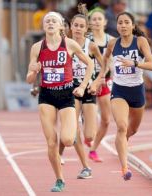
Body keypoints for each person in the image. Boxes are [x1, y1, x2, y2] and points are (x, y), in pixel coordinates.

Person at [26, 11, 94, 192]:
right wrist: (33, 72)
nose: (49, 23)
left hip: (66, 95)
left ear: (61, 26)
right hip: (46, 95)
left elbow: (90, 64)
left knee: (68, 139)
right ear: (43, 26)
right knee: (51, 142)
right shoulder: (37, 47)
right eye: (47, 21)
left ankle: (72, 136)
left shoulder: (69, 44)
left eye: (53, 21)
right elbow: (29, 77)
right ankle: (59, 179)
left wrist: (83, 86)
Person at [103, 12, 152, 180]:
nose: (123, 25)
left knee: (132, 129)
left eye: (126, 22)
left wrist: (135, 63)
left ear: (132, 26)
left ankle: (122, 143)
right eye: (120, 23)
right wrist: (102, 76)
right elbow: (104, 60)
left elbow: (151, 65)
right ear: (116, 26)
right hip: (119, 90)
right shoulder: (112, 43)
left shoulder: (140, 41)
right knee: (121, 127)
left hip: (137, 90)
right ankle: (125, 167)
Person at [58, 4, 105, 178]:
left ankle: (88, 119)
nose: (77, 29)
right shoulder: (66, 44)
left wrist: (97, 82)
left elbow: (103, 65)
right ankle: (83, 166)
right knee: (73, 127)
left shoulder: (91, 46)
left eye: (81, 26)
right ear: (70, 27)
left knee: (89, 135)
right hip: (72, 88)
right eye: (75, 26)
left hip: (89, 89)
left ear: (86, 30)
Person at [87, 8, 114, 162]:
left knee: (106, 119)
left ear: (105, 22)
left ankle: (93, 149)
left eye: (99, 19)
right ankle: (87, 133)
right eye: (94, 19)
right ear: (89, 23)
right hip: (88, 81)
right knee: (86, 115)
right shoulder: (86, 40)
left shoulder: (111, 40)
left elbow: (111, 62)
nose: (97, 22)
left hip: (104, 81)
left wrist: (104, 75)